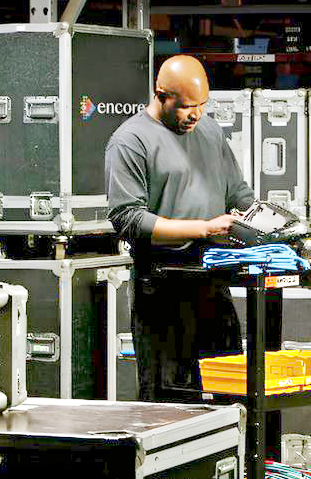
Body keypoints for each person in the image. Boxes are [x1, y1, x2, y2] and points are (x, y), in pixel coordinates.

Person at [104, 54, 255, 402]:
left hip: (212, 278)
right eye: (187, 106)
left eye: (202, 105)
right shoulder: (130, 141)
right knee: (170, 400)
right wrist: (203, 228)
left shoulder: (209, 131)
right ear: (161, 96)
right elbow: (129, 219)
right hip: (162, 285)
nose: (196, 115)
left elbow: (238, 192)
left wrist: (270, 220)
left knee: (229, 392)